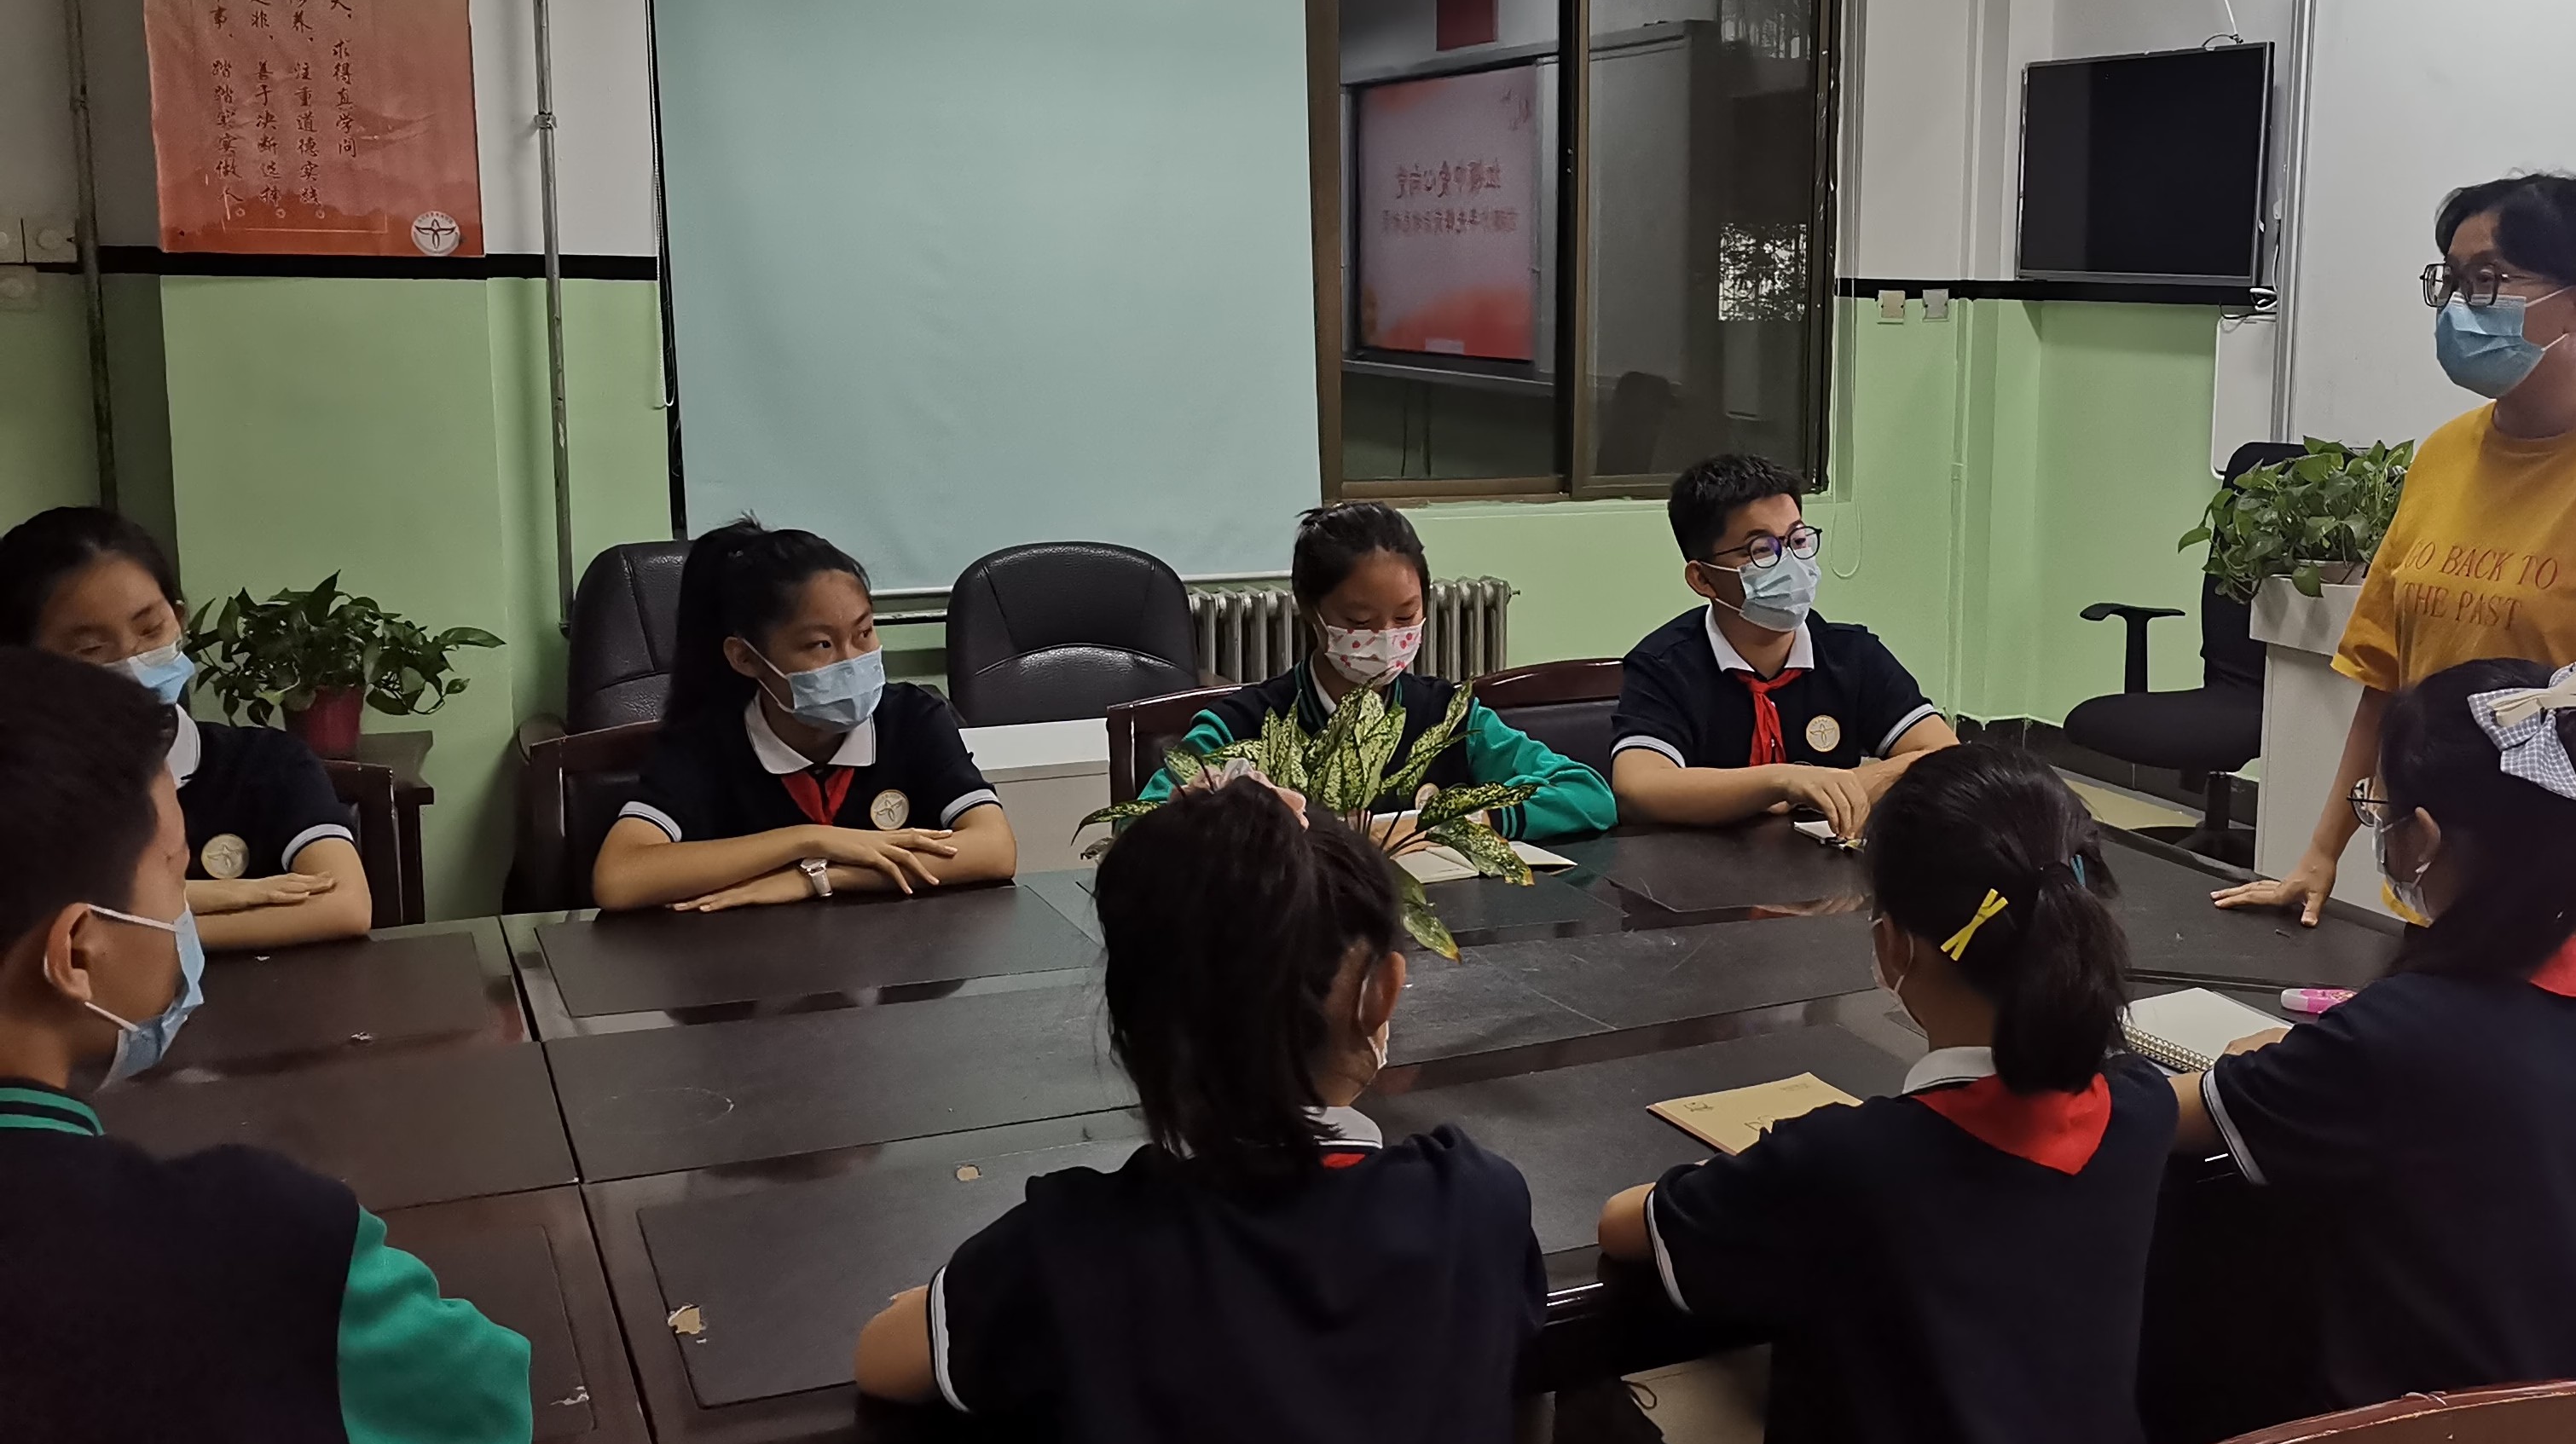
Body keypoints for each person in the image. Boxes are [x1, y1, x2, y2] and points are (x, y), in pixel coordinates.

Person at [854, 780, 1540, 1444]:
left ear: (1131, 1023)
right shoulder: (1477, 1207)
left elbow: (885, 1355)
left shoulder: (1077, 1247)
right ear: (1382, 989)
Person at [0, 650, 532, 1444]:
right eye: (175, 874)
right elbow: (476, 1425)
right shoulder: (252, 1244)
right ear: (78, 952)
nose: (187, 912)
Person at [1596, 743, 2174, 1444]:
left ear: (1893, 946)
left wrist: (1779, 1155)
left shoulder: (1845, 1162)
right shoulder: (2140, 1110)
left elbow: (1626, 1224)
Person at [2220, 174, 2576, 1025]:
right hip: (2442, 900)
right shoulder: (2443, 456)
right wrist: (2319, 854)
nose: (2463, 306)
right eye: (2453, 282)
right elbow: (2388, 687)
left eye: (2489, 280)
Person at [2175, 661, 2576, 1414]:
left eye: (2382, 810)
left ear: (2423, 838)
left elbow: (2164, 1115)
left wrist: (2256, 1062)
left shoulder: (2393, 1037)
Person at [591, 517, 1018, 912]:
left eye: (864, 632)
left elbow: (994, 849)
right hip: (748, 961)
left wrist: (819, 878)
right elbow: (619, 878)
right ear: (745, 658)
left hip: (898, 957)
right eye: (820, 645)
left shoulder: (912, 718)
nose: (851, 660)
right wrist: (808, 840)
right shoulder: (707, 743)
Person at [1, 506, 373, 950]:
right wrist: (227, 896)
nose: (134, 663)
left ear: (179, 620)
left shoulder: (264, 765)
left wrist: (140, 934)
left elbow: (346, 905)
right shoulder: (24, 796)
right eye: (91, 649)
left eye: (151, 629)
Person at [1136, 503, 1613, 840]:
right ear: (1310, 610)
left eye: (1406, 616)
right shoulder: (1245, 723)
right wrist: (1209, 809)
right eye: (1360, 621)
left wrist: (1477, 819)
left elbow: (1587, 794)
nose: (1386, 637)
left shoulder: (1447, 716)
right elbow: (1139, 826)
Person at [1608, 452, 1956, 841]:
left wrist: (1848, 784)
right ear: (1703, 579)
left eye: (1798, 540)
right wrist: (1782, 782)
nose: (1789, 562)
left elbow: (1948, 756)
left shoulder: (1852, 654)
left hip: (1824, 869)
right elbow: (1637, 790)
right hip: (1702, 870)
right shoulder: (1664, 665)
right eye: (1761, 549)